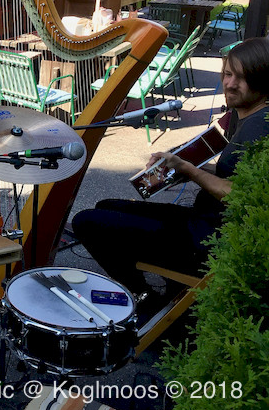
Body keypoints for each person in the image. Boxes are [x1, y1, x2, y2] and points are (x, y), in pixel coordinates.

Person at [72, 38, 269, 305]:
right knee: (106, 204)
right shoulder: (246, 113)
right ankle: (168, 289)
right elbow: (231, 173)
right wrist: (177, 164)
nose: (230, 84)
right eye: (228, 74)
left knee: (86, 221)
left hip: (205, 242)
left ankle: (146, 297)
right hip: (201, 221)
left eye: (242, 78)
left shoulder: (260, 128)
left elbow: (240, 195)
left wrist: (189, 170)